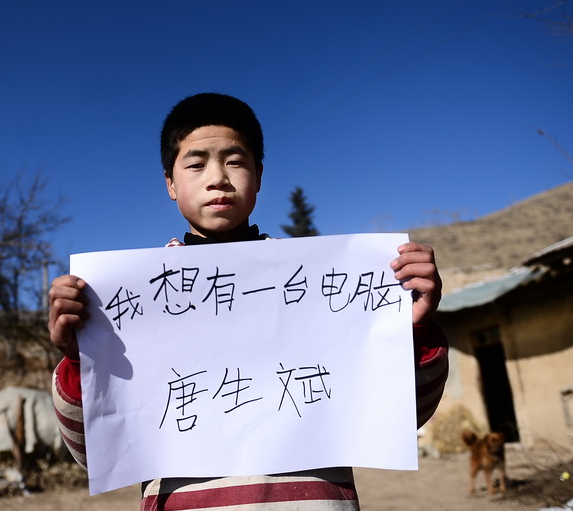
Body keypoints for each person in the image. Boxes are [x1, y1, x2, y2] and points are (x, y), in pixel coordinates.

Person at [48, 93, 449, 510]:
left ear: (258, 175)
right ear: (170, 183)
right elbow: (91, 452)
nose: (217, 177)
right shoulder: (127, 305)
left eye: (235, 161)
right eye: (196, 163)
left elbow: (403, 416)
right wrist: (82, 361)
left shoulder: (322, 288)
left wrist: (414, 329)